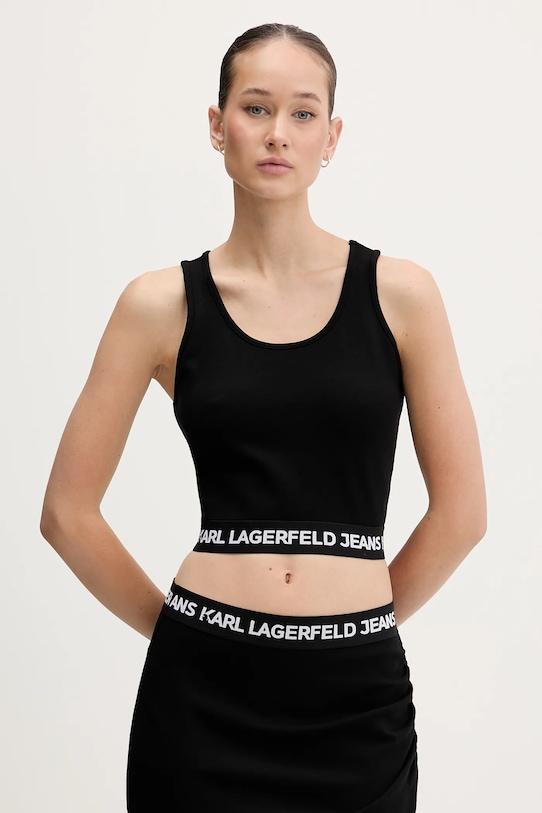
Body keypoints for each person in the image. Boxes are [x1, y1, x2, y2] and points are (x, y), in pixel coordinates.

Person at [40, 22, 487, 813]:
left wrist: (361, 623)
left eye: (303, 113)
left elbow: (463, 515)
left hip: (356, 701)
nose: (278, 132)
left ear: (331, 137)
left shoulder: (402, 295)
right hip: (202, 698)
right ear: (218, 126)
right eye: (255, 108)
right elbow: (67, 514)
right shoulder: (159, 305)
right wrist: (183, 633)